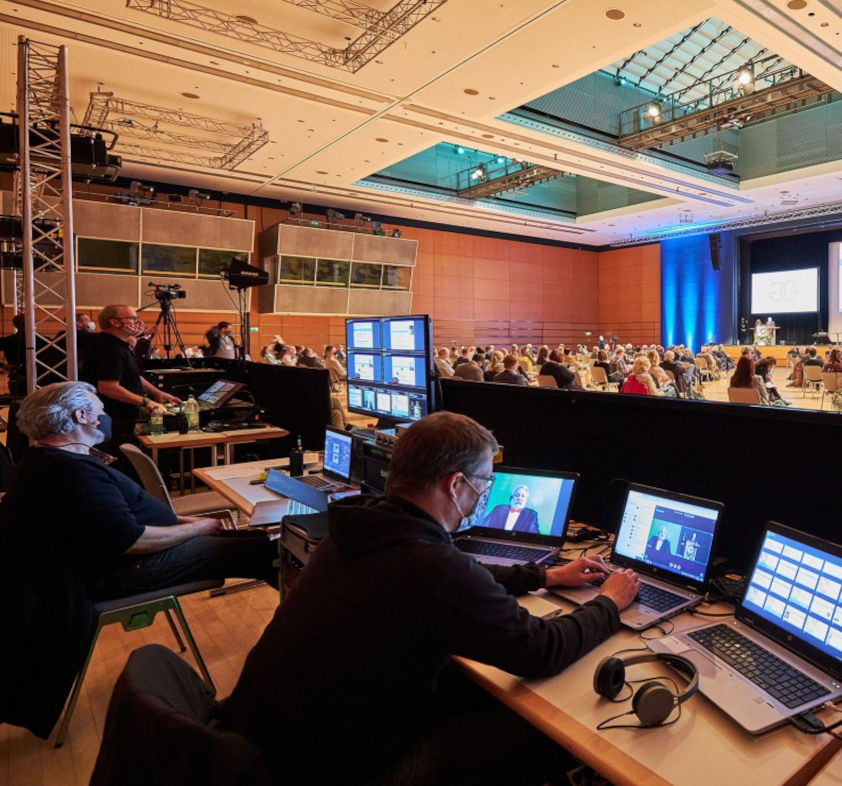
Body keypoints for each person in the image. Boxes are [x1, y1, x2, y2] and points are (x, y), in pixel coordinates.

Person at [220, 412, 639, 784]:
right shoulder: (429, 566)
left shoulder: (363, 526)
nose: (484, 495)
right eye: (484, 482)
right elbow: (542, 649)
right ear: (456, 485)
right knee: (546, 731)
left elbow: (459, 574)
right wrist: (608, 602)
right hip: (346, 769)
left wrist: (545, 574)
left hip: (267, 745)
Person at [4, 381, 276, 597]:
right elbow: (130, 540)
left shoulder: (47, 459)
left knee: (263, 541)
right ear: (82, 416)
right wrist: (197, 528)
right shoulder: (70, 472)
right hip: (127, 570)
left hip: (119, 559)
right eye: (100, 411)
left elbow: (107, 520)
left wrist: (183, 521)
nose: (104, 417)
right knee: (271, 550)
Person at [78, 304, 181, 470]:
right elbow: (108, 387)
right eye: (133, 318)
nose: (137, 322)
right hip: (113, 419)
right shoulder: (111, 349)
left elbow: (132, 376)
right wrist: (146, 402)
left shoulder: (117, 345)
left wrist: (157, 393)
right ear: (115, 322)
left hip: (117, 418)